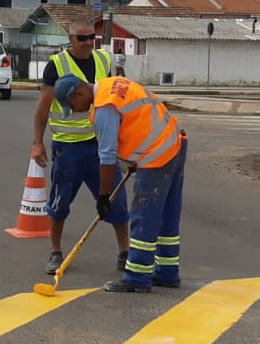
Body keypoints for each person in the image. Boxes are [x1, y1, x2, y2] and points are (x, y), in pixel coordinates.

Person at [55, 74, 187, 294]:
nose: (76, 110)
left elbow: (107, 157)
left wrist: (103, 196)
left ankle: (137, 277)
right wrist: (135, 160)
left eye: (72, 105)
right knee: (166, 215)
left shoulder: (105, 108)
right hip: (174, 142)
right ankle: (167, 273)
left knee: (144, 214)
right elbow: (139, 120)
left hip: (158, 154)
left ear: (78, 94)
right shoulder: (112, 85)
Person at [32, 31, 130, 274]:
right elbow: (44, 105)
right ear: (70, 38)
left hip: (99, 145)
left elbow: (117, 92)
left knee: (115, 200)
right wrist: (37, 142)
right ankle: (56, 253)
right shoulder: (56, 65)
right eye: (81, 38)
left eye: (91, 37)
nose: (87, 42)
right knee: (60, 201)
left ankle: (125, 253)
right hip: (68, 148)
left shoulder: (104, 60)